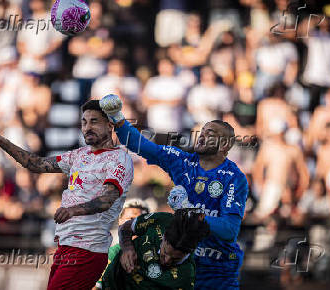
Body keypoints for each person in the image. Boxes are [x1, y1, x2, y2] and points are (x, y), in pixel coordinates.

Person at [0, 100, 134, 290]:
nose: (87, 127)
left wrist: (73, 210)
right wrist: (2, 141)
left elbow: (107, 199)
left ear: (110, 126)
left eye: (94, 122)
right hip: (66, 247)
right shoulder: (79, 155)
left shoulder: (120, 158)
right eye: (84, 122)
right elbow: (35, 163)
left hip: (88, 249)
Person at [100, 94, 249, 289]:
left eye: (210, 133)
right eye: (202, 131)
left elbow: (229, 230)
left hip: (217, 268)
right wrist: (118, 118)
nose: (202, 135)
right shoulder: (182, 161)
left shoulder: (233, 177)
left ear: (224, 145)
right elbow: (142, 146)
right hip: (182, 263)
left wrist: (190, 211)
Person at [102, 209, 210, 289]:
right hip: (111, 281)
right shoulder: (161, 220)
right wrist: (127, 248)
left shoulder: (185, 276)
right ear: (164, 237)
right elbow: (125, 228)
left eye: (175, 259)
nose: (167, 260)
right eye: (165, 252)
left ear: (188, 253)